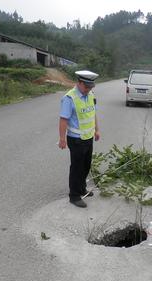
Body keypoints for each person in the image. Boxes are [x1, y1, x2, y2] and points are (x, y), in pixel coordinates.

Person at [58, 70, 100, 208]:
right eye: (87, 86)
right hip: (75, 139)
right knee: (76, 168)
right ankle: (74, 196)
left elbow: (93, 113)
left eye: (91, 87)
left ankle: (82, 188)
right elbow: (63, 119)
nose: (89, 89)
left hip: (88, 137)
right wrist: (62, 139)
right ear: (79, 83)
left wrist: (97, 130)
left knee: (86, 165)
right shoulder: (69, 98)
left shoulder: (90, 95)